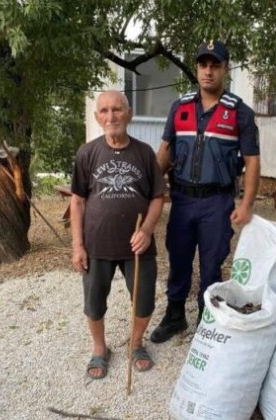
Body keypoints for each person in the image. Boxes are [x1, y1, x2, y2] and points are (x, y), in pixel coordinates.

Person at [150, 40, 261, 343]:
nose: (208, 71)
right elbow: (165, 152)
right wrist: (148, 189)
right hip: (182, 200)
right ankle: (175, 316)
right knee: (179, 260)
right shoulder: (180, 107)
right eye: (203, 65)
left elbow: (252, 163)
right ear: (197, 68)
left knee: (211, 264)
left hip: (217, 201)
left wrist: (247, 203)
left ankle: (207, 320)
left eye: (215, 65)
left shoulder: (241, 114)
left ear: (226, 69)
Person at [70, 90, 166, 379]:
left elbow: (158, 197)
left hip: (138, 245)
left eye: (117, 110)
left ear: (129, 113)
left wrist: (147, 230)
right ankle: (100, 350)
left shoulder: (144, 153)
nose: (111, 116)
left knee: (145, 300)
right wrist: (77, 245)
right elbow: (77, 201)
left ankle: (136, 345)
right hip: (97, 244)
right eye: (105, 111)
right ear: (97, 117)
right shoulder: (87, 153)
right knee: (95, 302)